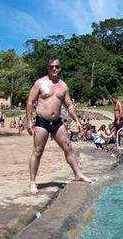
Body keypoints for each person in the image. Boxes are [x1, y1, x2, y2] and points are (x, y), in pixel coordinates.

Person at [25, 58, 92, 193]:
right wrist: (29, 121)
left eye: (56, 67)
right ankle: (32, 181)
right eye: (51, 67)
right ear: (48, 68)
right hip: (42, 121)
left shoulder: (63, 86)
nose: (54, 69)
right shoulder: (40, 83)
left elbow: (69, 105)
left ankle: (78, 174)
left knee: (68, 147)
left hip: (57, 122)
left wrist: (77, 121)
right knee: (37, 151)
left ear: (60, 68)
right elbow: (30, 102)